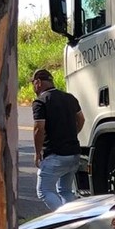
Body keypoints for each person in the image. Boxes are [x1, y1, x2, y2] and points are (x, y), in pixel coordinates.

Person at [31, 68, 85, 211]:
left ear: (38, 82)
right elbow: (81, 119)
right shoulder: (69, 98)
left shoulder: (40, 102)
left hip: (55, 155)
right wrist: (72, 133)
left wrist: (37, 153)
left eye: (33, 83)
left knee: (44, 191)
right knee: (65, 190)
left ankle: (64, 218)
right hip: (73, 153)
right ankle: (74, 219)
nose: (33, 87)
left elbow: (38, 129)